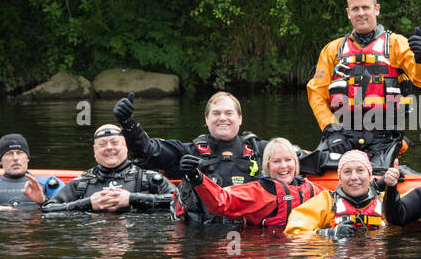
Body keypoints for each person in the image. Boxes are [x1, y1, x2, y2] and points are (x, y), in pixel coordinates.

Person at [306, 0, 421, 172]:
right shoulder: (333, 50)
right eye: (355, 9)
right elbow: (316, 93)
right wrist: (331, 130)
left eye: (365, 7)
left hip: (383, 137)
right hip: (341, 135)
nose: (361, 13)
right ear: (348, 13)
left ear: (377, 9)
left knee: (375, 178)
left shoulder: (397, 44)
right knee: (312, 168)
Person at [115, 90, 267, 222]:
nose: (222, 118)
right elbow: (147, 151)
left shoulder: (259, 150)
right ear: (207, 119)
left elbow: (288, 163)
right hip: (201, 238)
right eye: (216, 113)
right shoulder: (190, 151)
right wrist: (129, 124)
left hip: (249, 238)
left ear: (240, 118)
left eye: (229, 113)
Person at [42, 123, 178, 215]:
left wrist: (132, 199)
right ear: (95, 151)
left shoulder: (148, 179)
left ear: (125, 146)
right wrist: (88, 203)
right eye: (102, 144)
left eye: (114, 142)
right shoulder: (81, 183)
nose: (109, 147)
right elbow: (48, 209)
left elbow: (180, 201)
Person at [188, 137, 324, 229]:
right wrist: (196, 177)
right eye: (276, 161)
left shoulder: (313, 190)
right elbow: (221, 201)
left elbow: (337, 202)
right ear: (267, 166)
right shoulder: (258, 192)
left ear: (295, 163)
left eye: (288, 160)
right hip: (268, 252)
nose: (283, 166)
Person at [285, 150, 388, 238]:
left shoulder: (385, 201)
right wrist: (327, 233)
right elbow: (293, 232)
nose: (354, 177)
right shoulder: (326, 202)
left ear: (370, 176)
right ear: (339, 178)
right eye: (347, 172)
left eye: (360, 170)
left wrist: (393, 191)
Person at [0, 133, 62, 209]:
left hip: (35, 232)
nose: (15, 158)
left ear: (27, 158)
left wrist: (44, 201)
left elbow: (71, 206)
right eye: (9, 153)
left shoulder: (49, 183)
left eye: (20, 153)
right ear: (0, 160)